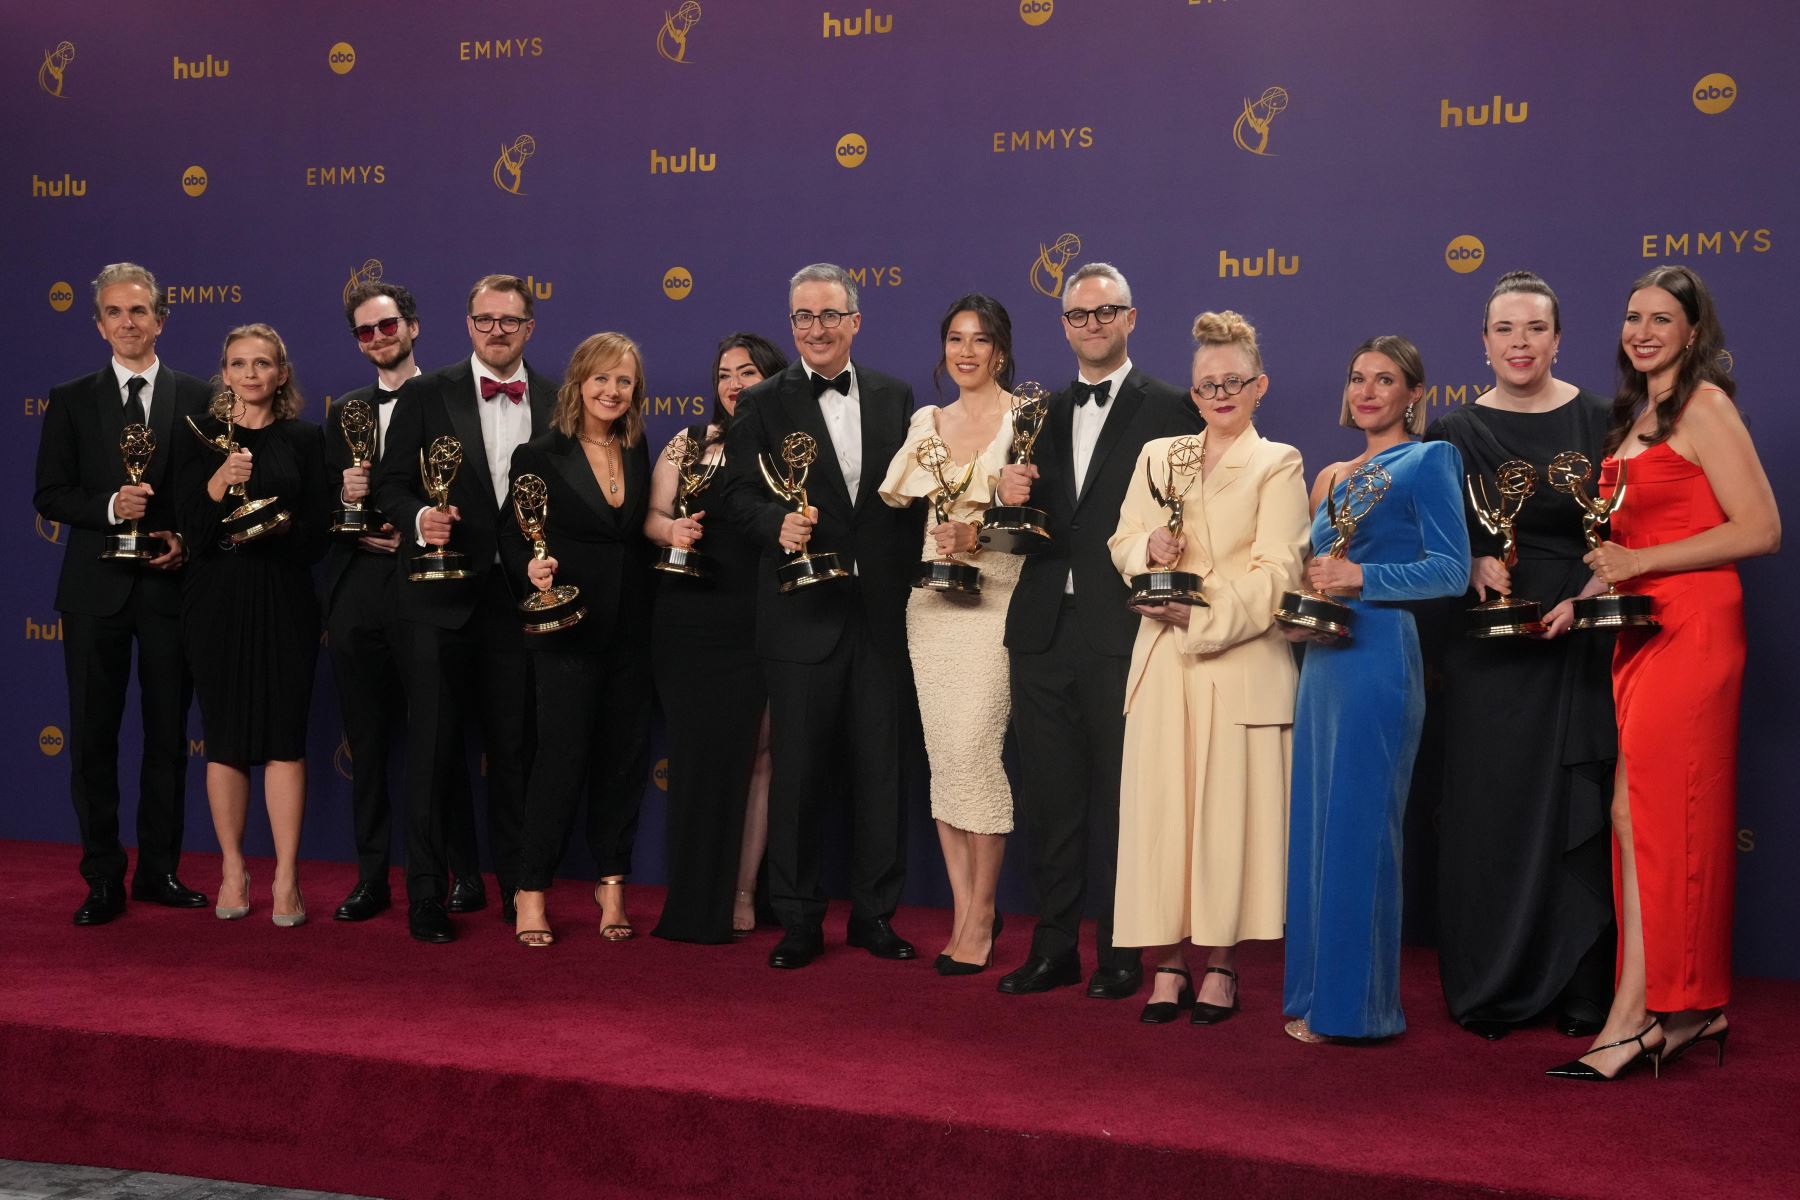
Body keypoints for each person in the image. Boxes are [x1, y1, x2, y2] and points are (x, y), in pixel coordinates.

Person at [1547, 265, 1778, 1081]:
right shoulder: (1632, 416)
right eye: (1632, 316)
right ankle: (1682, 1009)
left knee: (1655, 814)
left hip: (1696, 626)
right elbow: (1620, 549)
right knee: (1635, 813)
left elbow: (1761, 528)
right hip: (1637, 627)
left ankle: (1641, 1014)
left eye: (1662, 319)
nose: (1643, 331)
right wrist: (1583, 597)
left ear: (1692, 331)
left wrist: (1640, 560)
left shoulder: (1705, 407)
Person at [992, 262, 1202, 1000]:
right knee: (1050, 799)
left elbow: (1194, 520)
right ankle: (1053, 948)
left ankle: (1122, 952)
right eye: (1079, 316)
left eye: (1107, 311)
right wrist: (1002, 494)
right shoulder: (1035, 413)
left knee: (1123, 798)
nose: (1093, 325)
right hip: (1042, 629)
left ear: (1132, 317)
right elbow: (1015, 533)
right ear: (1064, 326)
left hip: (1128, 628)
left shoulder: (1175, 407)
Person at [1424, 271, 1617, 1040]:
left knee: (1581, 811)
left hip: (1579, 633)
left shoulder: (1604, 420)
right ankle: (1491, 982)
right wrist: (1472, 563)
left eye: (1535, 328)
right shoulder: (1453, 432)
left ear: (1559, 338)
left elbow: (1630, 529)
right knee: (1490, 811)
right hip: (1493, 643)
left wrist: (1594, 589)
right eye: (1505, 330)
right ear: (1484, 342)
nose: (1520, 344)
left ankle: (1580, 986)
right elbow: (1438, 541)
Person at [718, 262, 925, 970]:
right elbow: (736, 497)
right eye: (804, 317)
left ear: (856, 321)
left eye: (831, 315)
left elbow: (921, 500)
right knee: (799, 777)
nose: (817, 329)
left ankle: (875, 916)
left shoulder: (900, 398)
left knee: (882, 774)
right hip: (800, 614)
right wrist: (776, 523)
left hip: (882, 618)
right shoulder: (761, 402)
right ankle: (800, 921)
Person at [1109, 311, 1309, 1023]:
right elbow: (1123, 537)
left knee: (1227, 822)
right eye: (1206, 385)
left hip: (1237, 662)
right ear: (1192, 394)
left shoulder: (1277, 462)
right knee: (1163, 817)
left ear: (1259, 386)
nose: (1220, 394)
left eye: (1233, 382)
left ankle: (1221, 965)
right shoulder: (1160, 455)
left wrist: (1202, 613)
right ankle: (1166, 962)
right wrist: (1147, 555)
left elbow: (1279, 569)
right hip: (1162, 663)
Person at [1282, 335, 1470, 1043]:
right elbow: (1312, 570)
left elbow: (1450, 571)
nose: (1366, 391)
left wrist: (1363, 579)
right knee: (1319, 829)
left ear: (1414, 394)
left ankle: (1359, 1011)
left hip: (1381, 657)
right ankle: (1313, 994)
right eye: (1358, 377)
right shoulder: (1331, 475)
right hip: (1323, 663)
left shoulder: (1429, 460)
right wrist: (1304, 607)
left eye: (1384, 379)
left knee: (1362, 831)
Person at [373, 274, 556, 943]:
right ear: (468, 324)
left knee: (514, 752)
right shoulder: (425, 392)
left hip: (518, 602)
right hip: (436, 597)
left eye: (510, 321)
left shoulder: (561, 397)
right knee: (432, 750)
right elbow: (389, 486)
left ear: (529, 328)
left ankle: (518, 889)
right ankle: (426, 893)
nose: (497, 332)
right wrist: (422, 517)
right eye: (485, 320)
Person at [34, 263, 211, 925]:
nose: (128, 322)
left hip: (169, 590)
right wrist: (111, 505)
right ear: (99, 324)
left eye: (140, 311)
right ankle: (103, 877)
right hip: (92, 594)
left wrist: (185, 542)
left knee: (167, 739)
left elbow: (210, 500)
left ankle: (159, 871)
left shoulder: (199, 396)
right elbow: (49, 493)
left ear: (161, 319)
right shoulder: (72, 398)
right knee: (92, 739)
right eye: (115, 312)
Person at [877, 294, 1023, 974]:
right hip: (932, 604)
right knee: (945, 759)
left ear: (1001, 350)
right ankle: (965, 910)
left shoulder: (1026, 420)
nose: (967, 352)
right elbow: (900, 494)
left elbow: (1044, 523)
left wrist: (981, 531)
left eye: (980, 339)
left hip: (995, 597)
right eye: (955, 339)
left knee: (975, 750)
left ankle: (985, 910)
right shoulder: (925, 422)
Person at [175, 324, 330, 926]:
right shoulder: (198, 437)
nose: (250, 374)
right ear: (224, 372)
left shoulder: (304, 438)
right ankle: (233, 868)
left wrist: (283, 526)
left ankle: (287, 875)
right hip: (216, 599)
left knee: (284, 737)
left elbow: (320, 534)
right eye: (238, 363)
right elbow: (190, 528)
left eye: (262, 363)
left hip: (286, 597)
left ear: (281, 374)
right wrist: (219, 482)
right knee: (227, 738)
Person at [504, 333, 655, 947]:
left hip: (633, 630)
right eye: (601, 379)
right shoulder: (540, 453)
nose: (612, 391)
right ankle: (530, 889)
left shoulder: (642, 449)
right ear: (578, 383)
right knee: (560, 762)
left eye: (623, 381)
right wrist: (530, 569)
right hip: (566, 630)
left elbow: (641, 529)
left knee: (622, 762)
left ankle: (611, 884)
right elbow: (515, 536)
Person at [649, 332, 787, 945]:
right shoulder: (688, 443)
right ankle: (694, 891)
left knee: (760, 757)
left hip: (761, 613)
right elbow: (651, 516)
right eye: (725, 374)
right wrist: (670, 531)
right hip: (692, 614)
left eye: (748, 372)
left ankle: (740, 890)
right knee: (699, 756)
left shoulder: (788, 449)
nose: (734, 384)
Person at [322, 280, 425, 922]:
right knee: (365, 739)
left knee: (434, 740)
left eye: (388, 326)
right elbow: (325, 514)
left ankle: (440, 874)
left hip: (425, 586)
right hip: (359, 589)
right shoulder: (344, 413)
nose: (379, 339)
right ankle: (370, 876)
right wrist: (348, 505)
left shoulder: (447, 396)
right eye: (366, 331)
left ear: (412, 327)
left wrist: (409, 529)